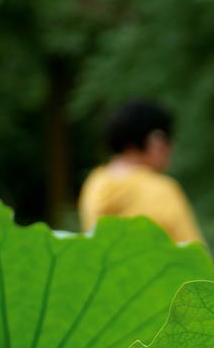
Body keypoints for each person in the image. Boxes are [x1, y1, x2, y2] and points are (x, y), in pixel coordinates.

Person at [79, 100, 205, 243]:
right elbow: (194, 252)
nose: (172, 147)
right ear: (155, 139)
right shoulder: (161, 190)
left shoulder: (95, 182)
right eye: (167, 138)